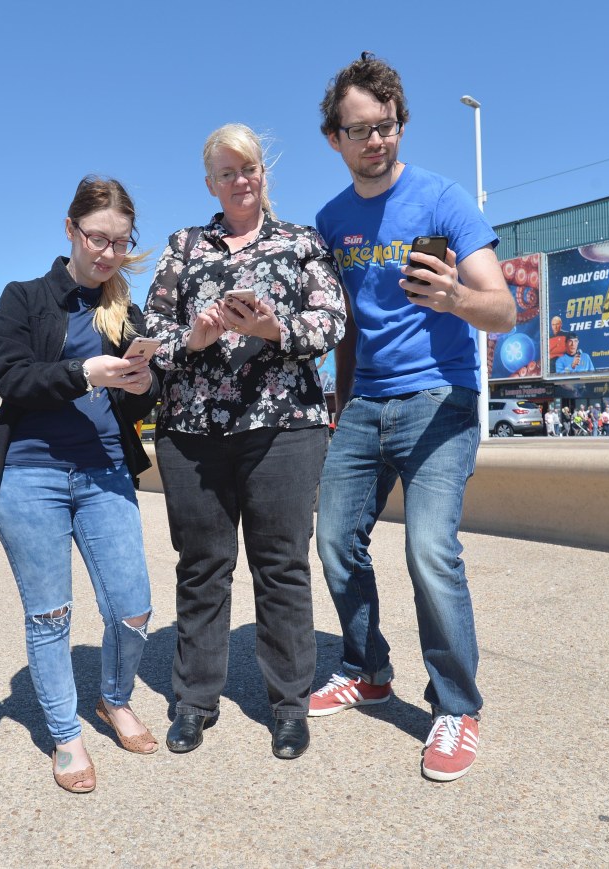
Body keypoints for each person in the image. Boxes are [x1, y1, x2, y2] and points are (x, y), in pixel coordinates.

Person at [310, 53, 516, 782]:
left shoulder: (445, 199)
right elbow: (342, 328)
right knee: (334, 540)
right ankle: (367, 668)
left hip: (441, 395)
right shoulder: (331, 221)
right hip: (364, 402)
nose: (377, 140)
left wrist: (455, 296)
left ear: (401, 125)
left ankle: (456, 705)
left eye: (387, 126)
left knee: (430, 550)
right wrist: (338, 406)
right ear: (335, 137)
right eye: (360, 129)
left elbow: (505, 307)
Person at [144, 123, 345, 761]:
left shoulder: (301, 242)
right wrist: (193, 340)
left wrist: (273, 326)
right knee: (202, 567)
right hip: (193, 432)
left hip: (284, 427)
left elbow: (332, 318)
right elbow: (148, 334)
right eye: (227, 172)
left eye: (249, 168)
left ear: (264, 173)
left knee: (281, 566)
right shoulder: (182, 247)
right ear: (210, 183)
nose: (241, 180)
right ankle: (195, 701)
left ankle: (289, 705)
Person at [0, 176, 160, 795]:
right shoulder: (24, 298)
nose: (108, 253)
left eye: (120, 241)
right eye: (97, 238)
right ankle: (65, 733)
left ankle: (115, 698)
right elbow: (11, 377)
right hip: (31, 474)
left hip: (105, 468)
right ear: (70, 231)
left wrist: (142, 384)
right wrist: (84, 373)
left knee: (134, 605)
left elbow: (151, 385)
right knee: (51, 615)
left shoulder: (122, 308)